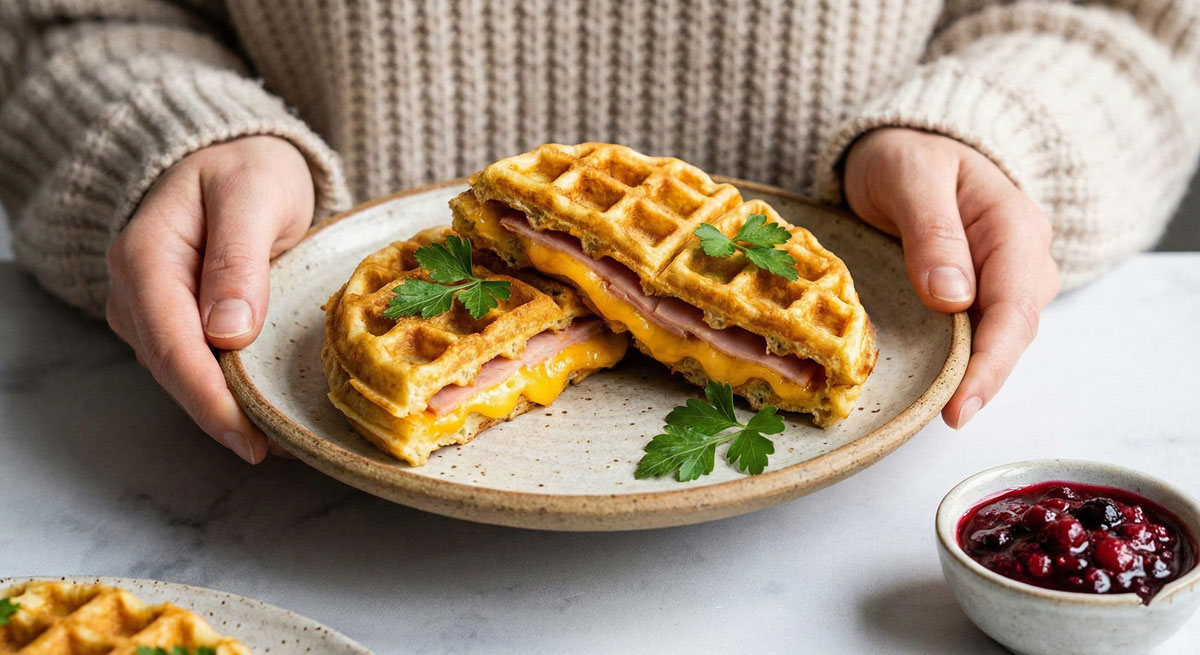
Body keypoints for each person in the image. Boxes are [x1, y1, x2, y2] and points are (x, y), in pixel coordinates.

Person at [1, 1, 1197, 464]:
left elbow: (1127, 17)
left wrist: (998, 130)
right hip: (221, 493)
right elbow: (69, 18)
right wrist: (169, 129)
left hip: (877, 529)